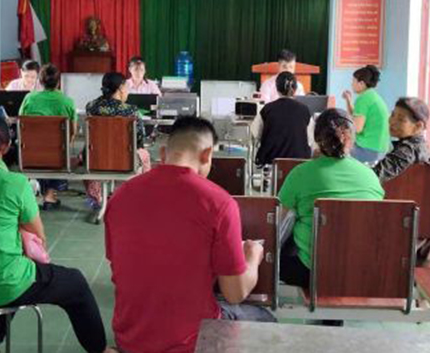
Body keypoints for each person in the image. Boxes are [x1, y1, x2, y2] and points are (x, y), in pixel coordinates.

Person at [0, 114, 113, 352]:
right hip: (4, 285)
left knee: (8, 268)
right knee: (74, 283)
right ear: (7, 146)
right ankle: (100, 349)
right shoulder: (15, 184)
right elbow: (38, 236)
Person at [105, 116, 274, 353]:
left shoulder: (119, 197)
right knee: (263, 318)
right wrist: (253, 257)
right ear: (207, 154)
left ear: (163, 153)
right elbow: (235, 293)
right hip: (190, 342)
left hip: (130, 339)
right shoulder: (219, 202)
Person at [279, 108, 385, 289]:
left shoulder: (301, 173)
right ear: (352, 138)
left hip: (311, 272)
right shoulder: (370, 177)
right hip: (361, 271)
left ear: (316, 139)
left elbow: (278, 221)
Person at [84, 72, 149, 209]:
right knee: (144, 154)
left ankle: (95, 196)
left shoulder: (91, 106)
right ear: (120, 88)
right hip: (123, 160)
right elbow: (139, 138)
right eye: (127, 87)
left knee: (87, 153)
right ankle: (139, 195)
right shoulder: (131, 111)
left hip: (96, 159)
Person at [19, 64, 77, 210]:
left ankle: (36, 189)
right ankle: (49, 195)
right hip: (58, 156)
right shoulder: (67, 101)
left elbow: (20, 124)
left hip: (30, 154)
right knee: (61, 149)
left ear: (40, 81)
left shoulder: (29, 98)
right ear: (58, 82)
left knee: (40, 148)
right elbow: (73, 132)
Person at [251, 71, 314, 166]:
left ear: (277, 88)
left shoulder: (267, 109)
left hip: (271, 163)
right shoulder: (305, 110)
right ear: (295, 89)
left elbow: (255, 133)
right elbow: (310, 139)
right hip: (299, 164)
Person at [373, 97, 430, 183]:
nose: (392, 122)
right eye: (392, 115)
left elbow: (373, 177)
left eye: (401, 119)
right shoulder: (422, 146)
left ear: (418, 126)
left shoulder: (407, 151)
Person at [342, 65, 390, 164]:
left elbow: (357, 128)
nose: (351, 84)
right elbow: (356, 116)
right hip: (381, 149)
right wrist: (348, 100)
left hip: (368, 150)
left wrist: (341, 130)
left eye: (353, 81)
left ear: (361, 83)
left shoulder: (363, 99)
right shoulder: (372, 96)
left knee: (335, 150)